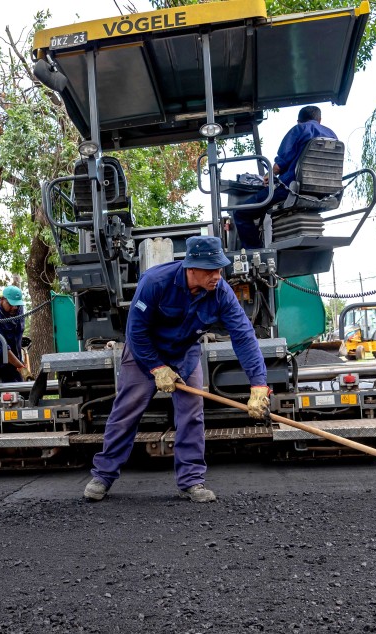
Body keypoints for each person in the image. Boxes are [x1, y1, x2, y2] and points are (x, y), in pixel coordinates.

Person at [83, 236, 270, 503]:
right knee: (126, 412)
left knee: (192, 414)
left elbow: (243, 335)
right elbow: (135, 331)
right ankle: (103, 475)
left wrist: (258, 384)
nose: (217, 276)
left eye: (219, 269)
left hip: (184, 354)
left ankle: (191, 481)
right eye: (210, 270)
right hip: (143, 353)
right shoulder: (155, 282)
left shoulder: (221, 292)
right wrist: (157, 368)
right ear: (191, 267)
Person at [233, 105, 337, 249]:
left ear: (298, 121)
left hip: (292, 189)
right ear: (319, 120)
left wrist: (269, 175)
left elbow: (280, 164)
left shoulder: (299, 130)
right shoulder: (332, 135)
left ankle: (254, 253)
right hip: (325, 190)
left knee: (241, 212)